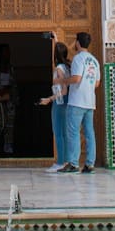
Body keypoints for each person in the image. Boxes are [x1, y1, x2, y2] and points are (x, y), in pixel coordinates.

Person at [59, 31, 101, 174]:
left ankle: (73, 163)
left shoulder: (78, 59)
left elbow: (76, 78)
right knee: (89, 132)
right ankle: (90, 164)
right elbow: (96, 83)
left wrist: (63, 80)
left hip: (77, 101)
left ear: (77, 42)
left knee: (73, 133)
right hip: (90, 102)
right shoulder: (94, 60)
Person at [40, 39, 71, 172]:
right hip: (66, 103)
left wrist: (49, 99)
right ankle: (66, 161)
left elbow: (63, 91)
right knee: (64, 133)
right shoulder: (67, 66)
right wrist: (55, 39)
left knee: (59, 133)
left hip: (59, 103)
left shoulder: (59, 69)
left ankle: (60, 163)